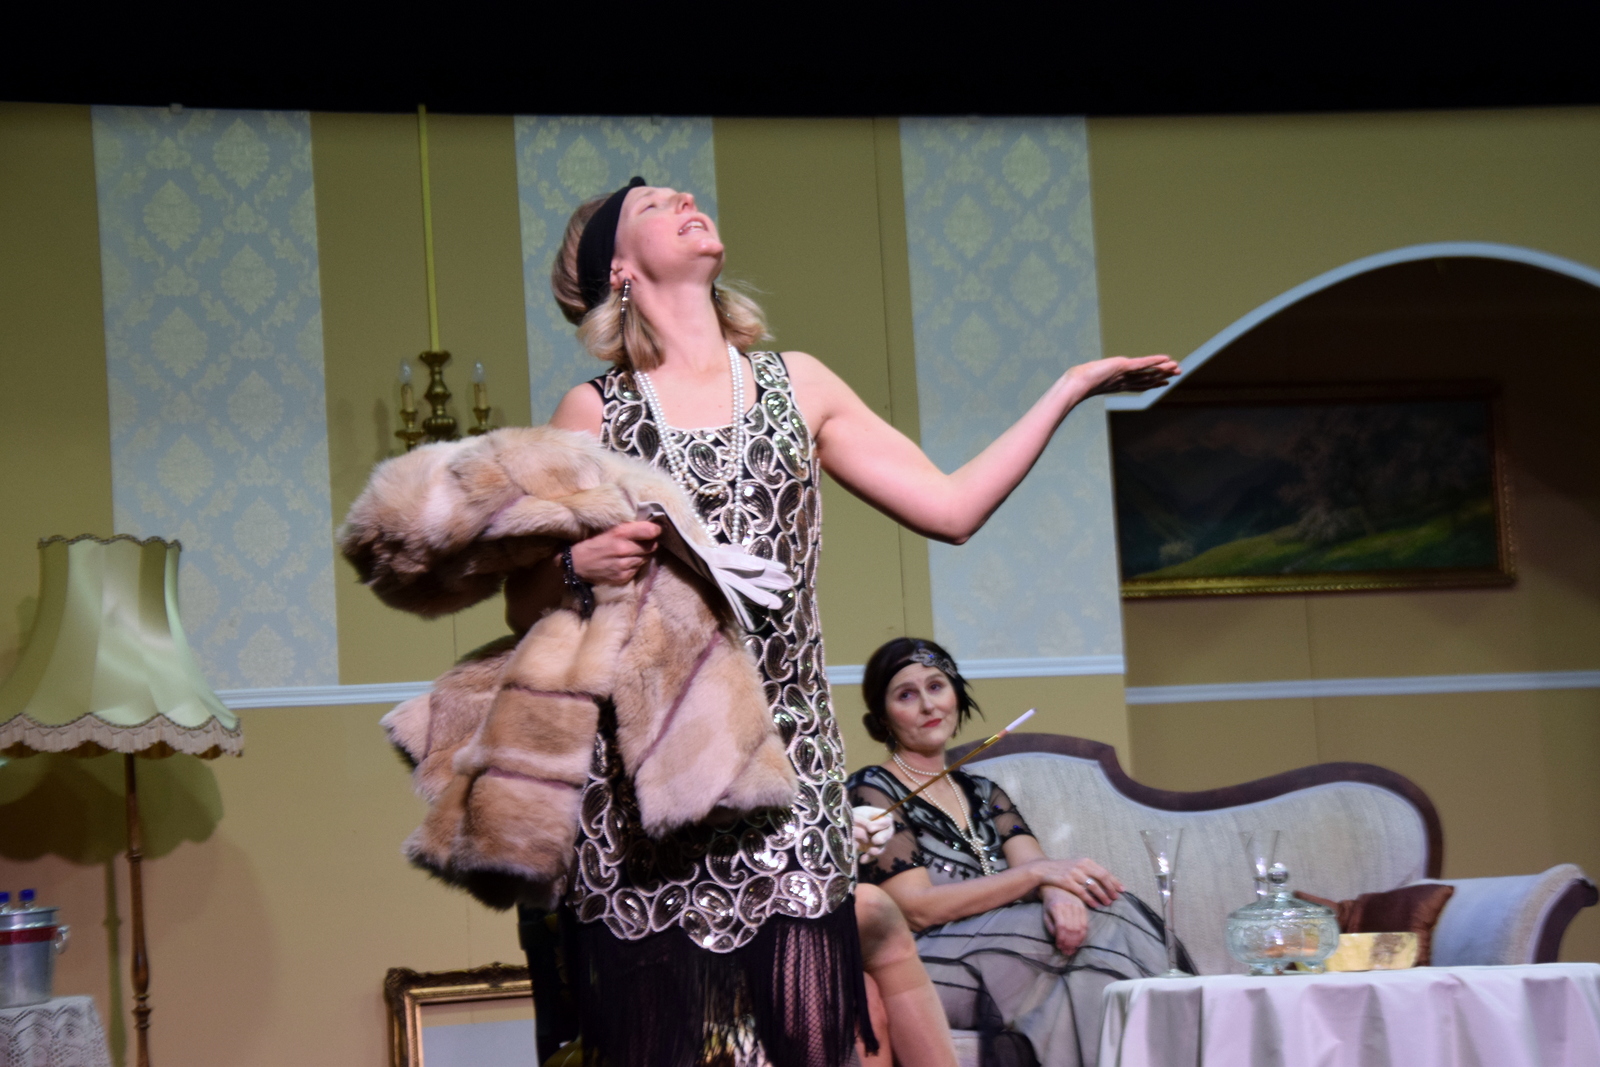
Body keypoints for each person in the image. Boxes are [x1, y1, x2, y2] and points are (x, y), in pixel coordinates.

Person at [516, 176, 1178, 1067]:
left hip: (790, 772)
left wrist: (1070, 387)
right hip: (651, 792)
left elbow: (951, 508)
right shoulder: (594, 411)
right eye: (653, 207)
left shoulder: (800, 384)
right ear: (620, 270)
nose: (685, 200)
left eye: (681, 193)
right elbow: (520, 599)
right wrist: (575, 563)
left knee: (808, 1045)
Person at [847, 638, 1183, 1067]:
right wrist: (1038, 878)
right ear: (883, 717)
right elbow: (917, 909)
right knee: (1105, 925)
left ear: (955, 695)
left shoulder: (984, 792)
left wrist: (1058, 892)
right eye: (906, 695)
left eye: (936, 686)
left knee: (1103, 922)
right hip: (924, 965)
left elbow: (1037, 865)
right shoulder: (873, 789)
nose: (928, 705)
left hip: (1010, 955)